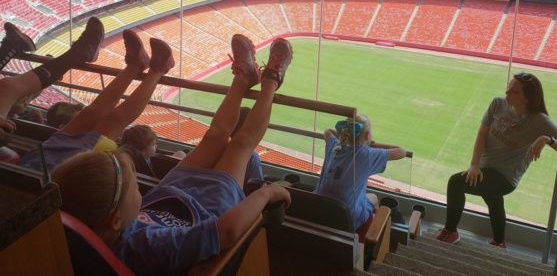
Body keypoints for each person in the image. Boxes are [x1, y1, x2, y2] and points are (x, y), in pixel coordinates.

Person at [52, 34, 293, 275]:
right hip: (209, 206)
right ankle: (271, 80)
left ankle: (243, 78)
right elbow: (227, 232)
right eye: (135, 189)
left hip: (174, 188)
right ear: (115, 221)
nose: (140, 190)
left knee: (215, 136)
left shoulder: (104, 226)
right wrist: (265, 193)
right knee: (241, 143)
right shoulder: (148, 247)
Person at [15, 21, 175, 172]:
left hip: (40, 161)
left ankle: (134, 65)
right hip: (68, 169)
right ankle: (158, 69)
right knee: (114, 120)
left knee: (89, 113)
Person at [437, 72, 557, 248]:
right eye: (508, 88)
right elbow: (481, 134)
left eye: (514, 91)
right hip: (485, 169)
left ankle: (451, 231)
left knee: (456, 183)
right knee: (492, 198)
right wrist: (474, 165)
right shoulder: (497, 104)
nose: (507, 93)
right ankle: (499, 242)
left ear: (527, 98)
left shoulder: (539, 121)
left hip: (505, 178)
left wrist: (547, 139)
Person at [314, 113, 408, 230]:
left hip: (317, 208)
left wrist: (346, 136)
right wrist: (374, 145)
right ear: (368, 136)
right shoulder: (367, 154)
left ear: (345, 132)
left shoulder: (333, 145)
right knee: (373, 197)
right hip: (347, 219)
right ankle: (372, 234)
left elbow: (327, 131)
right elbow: (402, 151)